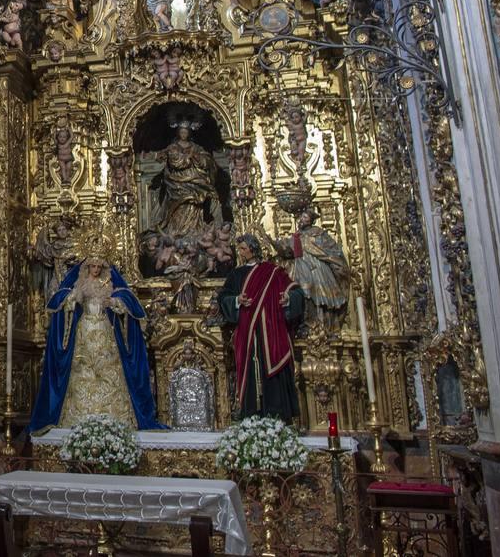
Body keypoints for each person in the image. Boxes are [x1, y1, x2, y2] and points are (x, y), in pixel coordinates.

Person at [30, 258, 165, 434]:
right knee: (83, 368)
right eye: (92, 266)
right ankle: (79, 415)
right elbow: (62, 299)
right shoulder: (80, 283)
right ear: (86, 267)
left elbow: (125, 299)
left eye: (99, 267)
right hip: (84, 329)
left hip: (104, 328)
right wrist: (73, 298)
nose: (95, 269)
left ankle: (114, 414)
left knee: (107, 368)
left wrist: (115, 303)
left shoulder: (108, 283)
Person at [219, 235, 305, 421]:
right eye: (239, 249)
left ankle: (277, 414)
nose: (240, 253)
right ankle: (251, 414)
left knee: (273, 371)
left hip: (271, 329)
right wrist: (236, 300)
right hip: (247, 331)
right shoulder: (236, 274)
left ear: (253, 249)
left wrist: (287, 299)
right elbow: (223, 298)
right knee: (250, 370)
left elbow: (297, 292)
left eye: (243, 248)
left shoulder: (272, 271)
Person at [279, 206, 350, 332]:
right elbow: (290, 252)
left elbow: (330, 249)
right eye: (301, 217)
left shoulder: (318, 233)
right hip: (300, 268)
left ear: (311, 221)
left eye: (305, 217)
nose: (301, 220)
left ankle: (323, 324)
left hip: (317, 267)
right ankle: (307, 323)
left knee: (320, 295)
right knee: (305, 295)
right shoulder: (296, 235)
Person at [149, 119, 223, 240]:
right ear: (178, 133)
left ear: (189, 133)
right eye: (182, 132)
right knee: (179, 208)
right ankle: (177, 233)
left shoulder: (196, 147)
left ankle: (194, 232)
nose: (184, 134)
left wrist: (197, 157)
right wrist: (187, 158)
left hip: (194, 184)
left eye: (186, 132)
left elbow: (207, 161)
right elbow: (174, 162)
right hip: (176, 185)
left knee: (194, 204)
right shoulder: (173, 147)